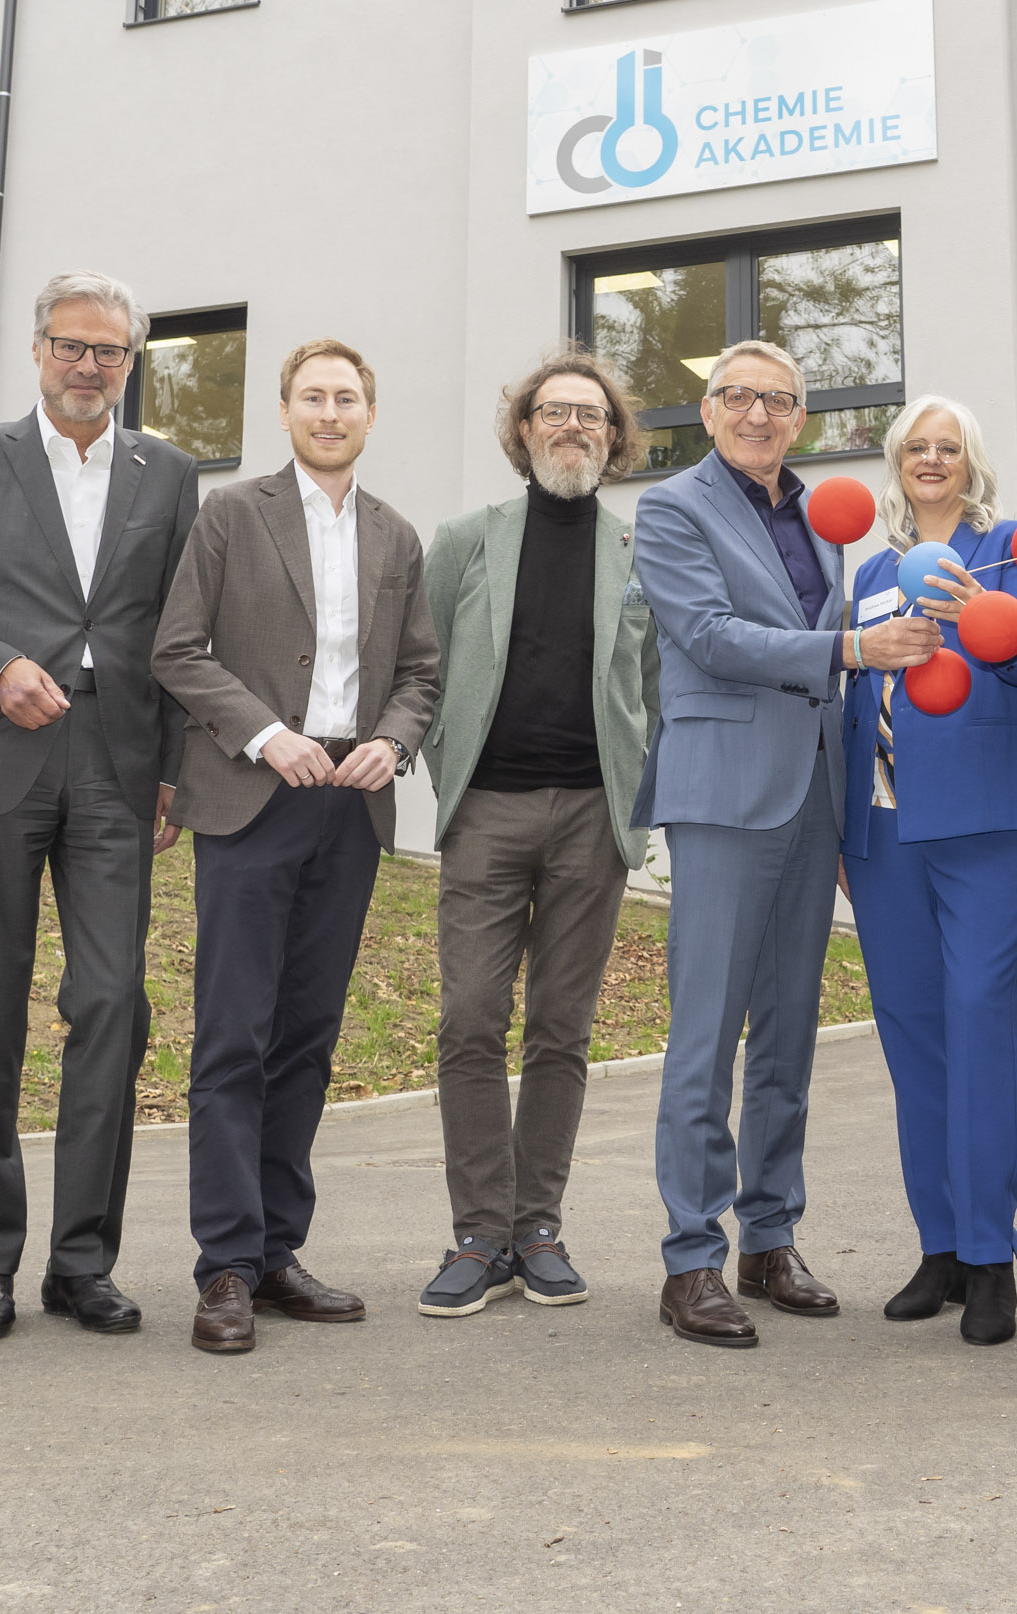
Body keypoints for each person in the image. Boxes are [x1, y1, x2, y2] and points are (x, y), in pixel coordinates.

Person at [0, 272, 201, 1343]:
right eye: (72, 344)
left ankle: (83, 1260)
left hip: (116, 768)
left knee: (113, 1002)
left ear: (131, 363)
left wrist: (173, 768)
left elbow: (173, 631)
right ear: (37, 349)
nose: (89, 365)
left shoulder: (169, 474)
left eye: (110, 351)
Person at [631, 339, 939, 1349]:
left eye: (779, 399)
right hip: (723, 791)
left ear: (800, 417)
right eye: (737, 397)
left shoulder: (824, 513)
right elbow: (710, 634)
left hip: (816, 793)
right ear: (708, 410)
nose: (758, 413)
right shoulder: (673, 507)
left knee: (791, 1033)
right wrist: (850, 649)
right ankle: (691, 1256)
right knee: (706, 1033)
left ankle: (770, 1236)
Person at [151, 339, 440, 1354]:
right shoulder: (230, 514)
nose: (330, 411)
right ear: (284, 410)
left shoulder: (398, 537)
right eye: (313, 396)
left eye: (347, 397)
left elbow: (420, 670)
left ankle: (277, 1250)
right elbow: (177, 648)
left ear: (370, 412)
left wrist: (392, 741)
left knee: (307, 1036)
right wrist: (267, 734)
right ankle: (224, 1264)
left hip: (347, 806)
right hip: (248, 793)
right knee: (234, 1033)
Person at [411, 347, 660, 1319]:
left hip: (591, 818)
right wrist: (451, 781)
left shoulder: (638, 549)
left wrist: (639, 800)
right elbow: (422, 669)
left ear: (613, 437)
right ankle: (480, 1232)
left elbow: (658, 687)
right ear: (524, 431)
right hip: (488, 812)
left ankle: (538, 1228)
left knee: (563, 1027)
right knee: (470, 1018)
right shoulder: (468, 538)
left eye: (590, 416)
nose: (572, 427)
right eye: (554, 412)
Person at [840, 397, 1017, 1347]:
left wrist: (988, 616)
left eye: (949, 448)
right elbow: (851, 697)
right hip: (883, 834)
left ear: (972, 464)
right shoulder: (872, 571)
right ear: (897, 465)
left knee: (980, 1031)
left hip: (985, 827)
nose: (933, 461)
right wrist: (843, 832)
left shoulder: (1014, 550)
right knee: (911, 1040)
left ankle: (990, 1255)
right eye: (916, 449)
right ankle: (937, 1246)